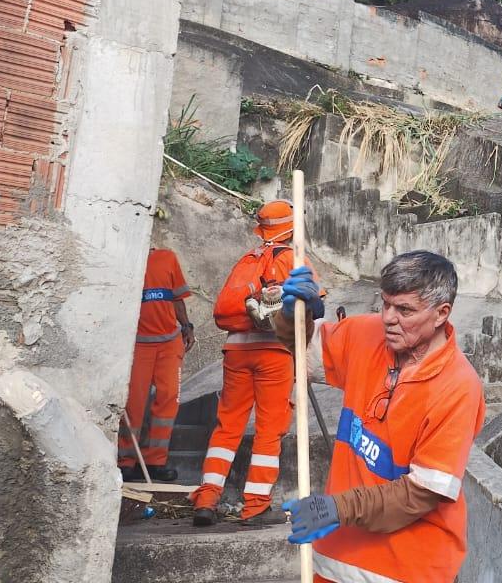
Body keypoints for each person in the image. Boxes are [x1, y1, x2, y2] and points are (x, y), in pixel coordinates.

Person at [277, 251, 485, 583]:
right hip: (334, 560)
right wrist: (292, 316)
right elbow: (302, 351)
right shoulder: (366, 333)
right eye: (385, 303)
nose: (389, 317)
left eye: (405, 310)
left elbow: (421, 493)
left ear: (441, 313)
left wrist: (338, 508)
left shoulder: (458, 386)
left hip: (407, 569)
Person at [190, 200, 323, 527]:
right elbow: (312, 307)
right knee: (269, 430)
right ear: (293, 229)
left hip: (236, 352)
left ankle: (207, 498)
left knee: (227, 426)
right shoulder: (292, 259)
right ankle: (255, 504)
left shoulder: (248, 260)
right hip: (273, 354)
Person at [119, 247, 195, 482]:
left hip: (169, 342)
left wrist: (186, 326)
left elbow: (177, 298)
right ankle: (125, 462)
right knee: (133, 405)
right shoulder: (126, 257)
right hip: (138, 344)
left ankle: (155, 462)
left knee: (169, 399)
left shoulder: (168, 257)